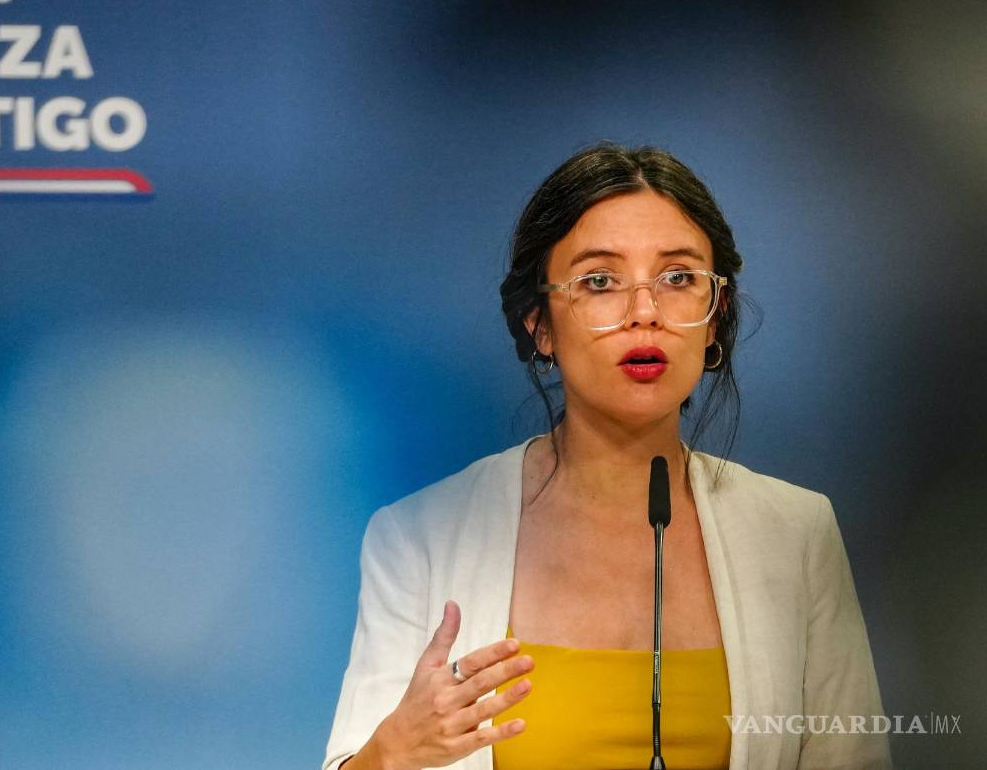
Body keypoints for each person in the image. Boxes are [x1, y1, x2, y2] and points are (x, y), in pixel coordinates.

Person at [323, 144, 890, 770]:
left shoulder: (797, 535)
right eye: (599, 281)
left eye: (678, 278)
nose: (644, 313)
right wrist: (391, 754)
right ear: (539, 323)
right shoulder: (419, 539)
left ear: (715, 315)